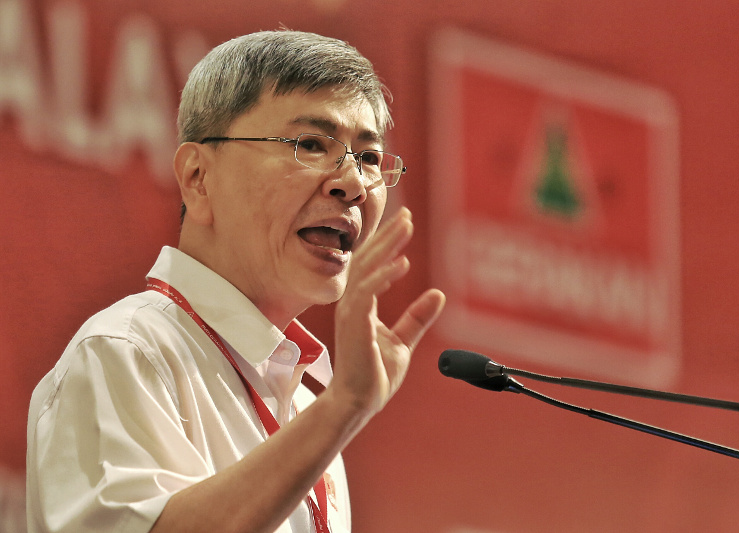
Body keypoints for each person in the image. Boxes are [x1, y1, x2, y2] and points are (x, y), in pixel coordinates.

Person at [26, 30, 446, 533]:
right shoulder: (127, 350)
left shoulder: (307, 405)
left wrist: (336, 411)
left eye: (371, 158)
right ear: (198, 177)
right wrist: (343, 410)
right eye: (311, 144)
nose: (354, 184)